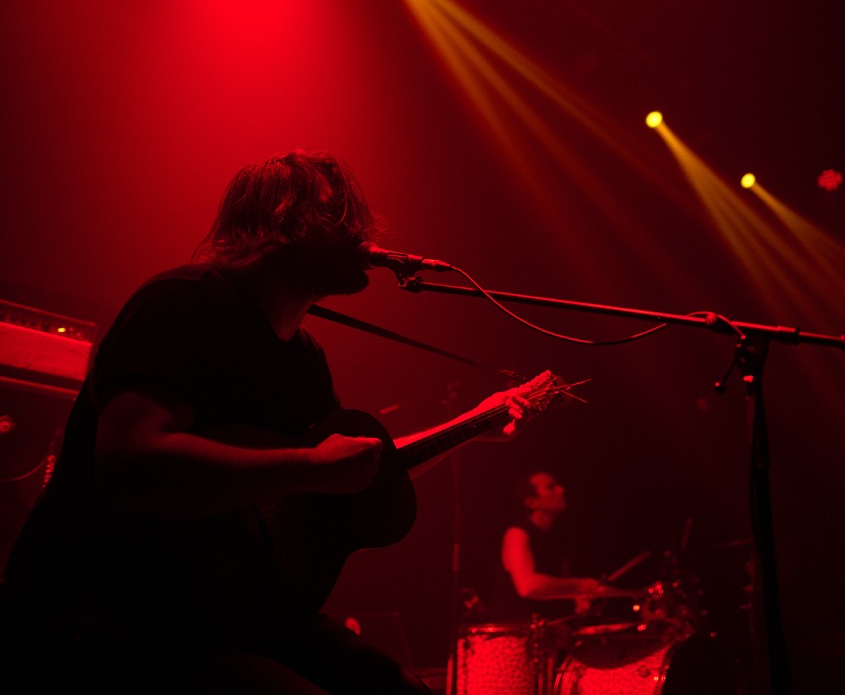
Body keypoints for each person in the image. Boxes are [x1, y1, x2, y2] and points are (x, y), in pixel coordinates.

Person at [0, 149, 546, 695]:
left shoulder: (304, 357)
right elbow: (130, 463)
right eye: (337, 217)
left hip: (222, 607)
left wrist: (474, 422)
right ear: (282, 224)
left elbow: (350, 470)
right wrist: (312, 468)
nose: (359, 235)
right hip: (107, 604)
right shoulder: (183, 303)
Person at [486, 471, 608, 622]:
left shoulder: (558, 538)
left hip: (550, 627)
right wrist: (580, 585)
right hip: (516, 629)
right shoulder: (517, 534)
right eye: (551, 487)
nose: (561, 490)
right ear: (531, 502)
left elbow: (556, 586)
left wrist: (576, 600)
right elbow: (528, 587)